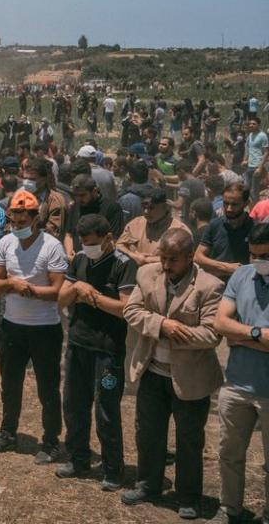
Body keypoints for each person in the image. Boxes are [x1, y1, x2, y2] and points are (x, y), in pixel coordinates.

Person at [121, 228, 224, 520]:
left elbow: (212, 334)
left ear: (191, 257)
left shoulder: (210, 286)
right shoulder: (147, 274)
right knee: (148, 433)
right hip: (152, 371)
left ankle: (188, 496)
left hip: (190, 378)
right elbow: (132, 311)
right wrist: (161, 325)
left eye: (173, 260)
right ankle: (148, 484)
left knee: (189, 440)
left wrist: (178, 333)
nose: (166, 266)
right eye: (163, 258)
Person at [0, 190, 67, 464]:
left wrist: (28, 289)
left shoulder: (51, 246)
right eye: (13, 222)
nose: (16, 227)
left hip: (45, 328)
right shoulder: (6, 242)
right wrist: (11, 285)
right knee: (10, 384)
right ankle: (8, 433)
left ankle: (52, 441)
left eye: (21, 222)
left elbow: (57, 290)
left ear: (35, 219)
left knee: (47, 387)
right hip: (12, 327)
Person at [55, 214, 137, 491]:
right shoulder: (80, 260)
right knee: (74, 405)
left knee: (106, 409)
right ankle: (78, 459)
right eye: (83, 242)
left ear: (108, 238)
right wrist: (77, 287)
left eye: (92, 243)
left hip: (108, 351)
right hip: (78, 344)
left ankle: (113, 468)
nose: (87, 247)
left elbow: (124, 309)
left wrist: (92, 295)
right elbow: (61, 300)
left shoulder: (124, 265)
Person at [210, 222, 269, 524]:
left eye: (265, 256)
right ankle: (229, 508)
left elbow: (232, 331)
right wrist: (259, 334)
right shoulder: (242, 275)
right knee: (229, 453)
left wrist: (242, 335)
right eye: (254, 255)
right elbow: (221, 324)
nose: (259, 262)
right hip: (236, 384)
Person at [194, 183, 254, 281]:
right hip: (217, 283)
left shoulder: (254, 227)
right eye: (226, 203)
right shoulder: (214, 225)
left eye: (234, 204)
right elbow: (198, 257)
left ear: (246, 203)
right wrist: (226, 267)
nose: (229, 208)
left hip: (244, 283)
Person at [116, 188, 190, 266]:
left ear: (165, 207)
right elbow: (119, 245)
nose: (146, 212)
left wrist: (147, 260)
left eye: (151, 208)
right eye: (144, 207)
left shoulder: (180, 230)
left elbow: (184, 258)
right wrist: (133, 255)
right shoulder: (135, 224)